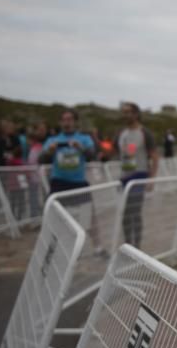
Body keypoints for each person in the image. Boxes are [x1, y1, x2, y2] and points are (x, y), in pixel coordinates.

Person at [40, 109, 104, 252]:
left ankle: (98, 247)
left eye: (70, 119)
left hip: (78, 182)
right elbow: (41, 159)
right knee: (53, 216)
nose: (67, 122)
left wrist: (80, 148)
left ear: (75, 122)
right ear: (60, 122)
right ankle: (51, 248)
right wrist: (49, 152)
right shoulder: (53, 140)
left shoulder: (84, 139)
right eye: (64, 119)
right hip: (59, 182)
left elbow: (92, 155)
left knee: (90, 216)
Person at [115, 102, 159, 248]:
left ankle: (136, 246)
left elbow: (154, 157)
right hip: (124, 178)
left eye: (129, 112)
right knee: (125, 214)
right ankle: (128, 245)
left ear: (136, 114)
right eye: (124, 112)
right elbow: (116, 152)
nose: (126, 115)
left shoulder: (144, 133)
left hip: (139, 177)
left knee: (133, 211)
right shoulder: (122, 134)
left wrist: (151, 179)